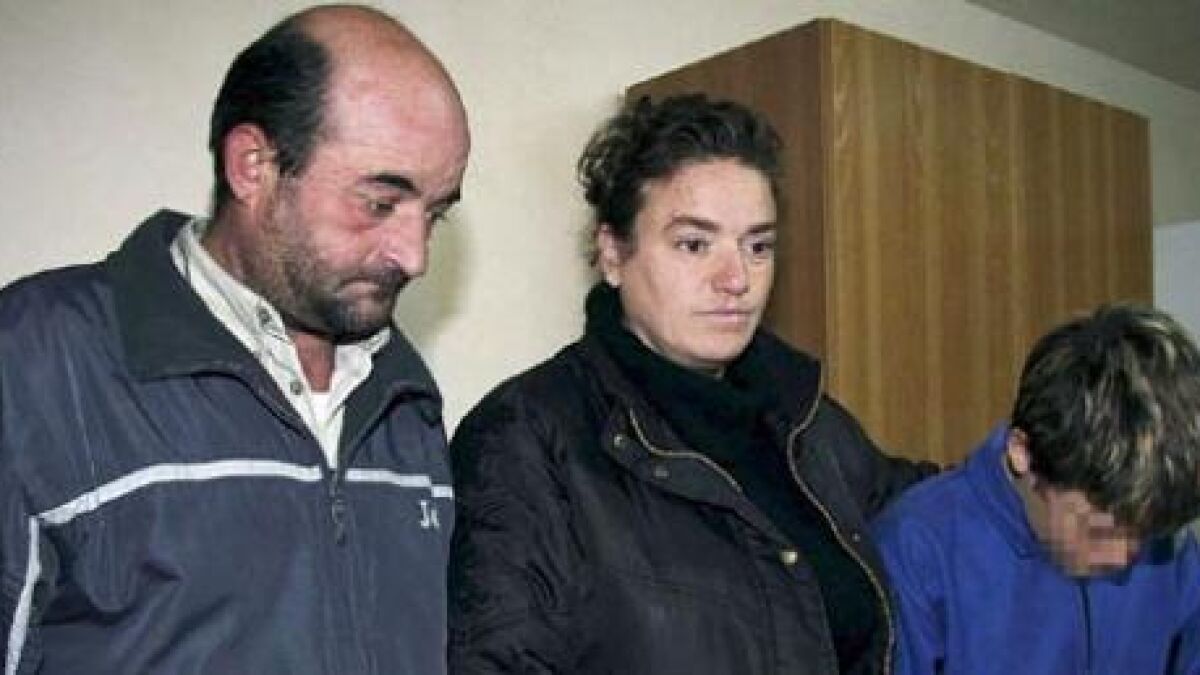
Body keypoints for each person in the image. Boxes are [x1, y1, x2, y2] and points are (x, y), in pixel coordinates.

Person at [0, 5, 469, 673]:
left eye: (436, 213)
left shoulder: (402, 394)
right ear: (253, 165)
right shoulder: (37, 356)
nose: (414, 255)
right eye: (379, 202)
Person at [447, 93, 934, 675]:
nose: (737, 279)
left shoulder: (808, 423)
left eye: (758, 246)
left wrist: (1025, 451)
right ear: (612, 254)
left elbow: (943, 510)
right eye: (694, 244)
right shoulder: (526, 435)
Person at [871, 304, 1200, 674]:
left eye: (1144, 533)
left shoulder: (1166, 542)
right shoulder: (917, 553)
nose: (1124, 557)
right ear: (1022, 453)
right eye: (1100, 531)